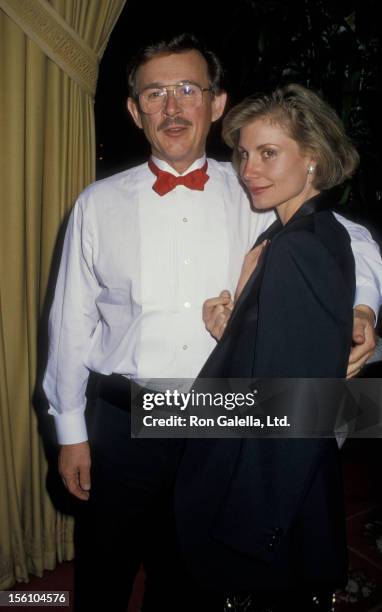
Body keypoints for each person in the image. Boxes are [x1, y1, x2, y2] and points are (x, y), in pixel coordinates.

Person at [42, 34, 381, 611]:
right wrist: (69, 429)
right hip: (123, 416)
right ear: (134, 110)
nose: (172, 107)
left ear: (217, 103)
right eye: (155, 94)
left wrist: (363, 308)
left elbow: (346, 236)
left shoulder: (252, 186)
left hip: (217, 418)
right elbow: (70, 320)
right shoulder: (97, 203)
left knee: (193, 575)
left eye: (187, 90)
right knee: (103, 568)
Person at [174, 84, 367, 611]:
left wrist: (249, 526)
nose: (248, 169)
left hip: (265, 492)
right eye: (243, 153)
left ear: (312, 158)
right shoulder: (295, 235)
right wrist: (234, 330)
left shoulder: (297, 248)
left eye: (268, 153)